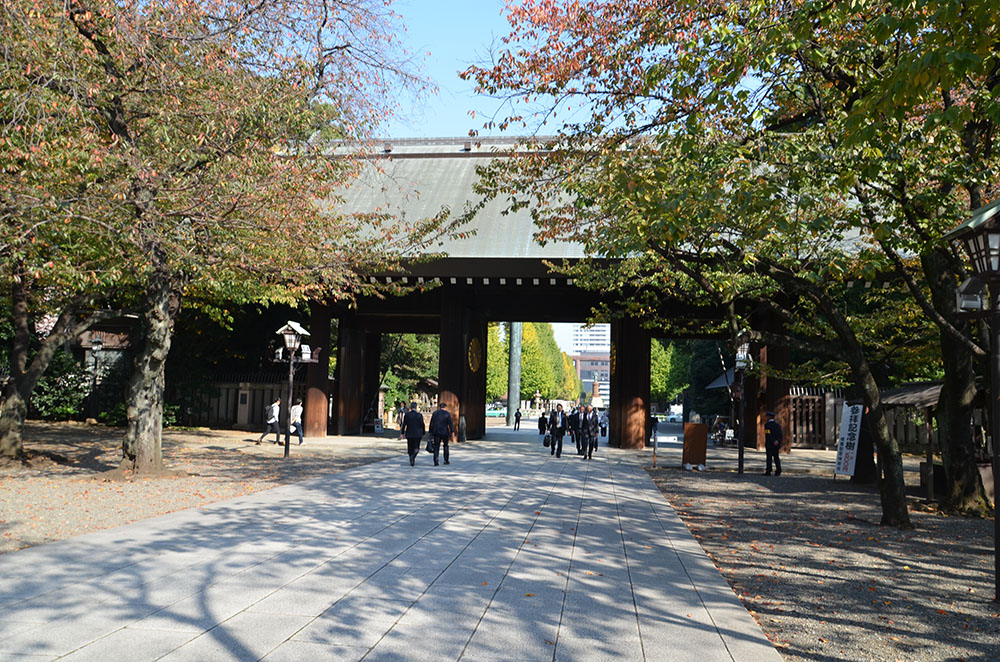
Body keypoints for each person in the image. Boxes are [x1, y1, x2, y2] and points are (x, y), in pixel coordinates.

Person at [428, 401, 455, 466]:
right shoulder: (447, 414)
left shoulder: (435, 413)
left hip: (436, 432)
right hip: (445, 432)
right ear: (445, 407)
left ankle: (436, 461)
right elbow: (450, 423)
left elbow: (432, 423)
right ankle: (446, 460)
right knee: (445, 446)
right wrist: (452, 431)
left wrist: (430, 431)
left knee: (436, 446)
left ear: (439, 407)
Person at [399, 402, 425, 467]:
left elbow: (404, 425)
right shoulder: (419, 415)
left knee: (410, 447)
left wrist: (402, 433)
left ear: (410, 407)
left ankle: (411, 456)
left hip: (409, 433)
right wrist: (423, 432)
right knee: (416, 448)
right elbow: (422, 425)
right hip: (417, 434)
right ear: (416, 407)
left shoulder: (407, 415)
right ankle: (413, 457)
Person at [764, 411, 783, 476]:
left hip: (769, 444)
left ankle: (768, 471)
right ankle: (778, 470)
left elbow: (768, 435)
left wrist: (772, 441)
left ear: (769, 417)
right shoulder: (778, 425)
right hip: (776, 444)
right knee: (776, 457)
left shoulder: (767, 425)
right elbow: (780, 434)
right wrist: (777, 441)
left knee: (769, 458)